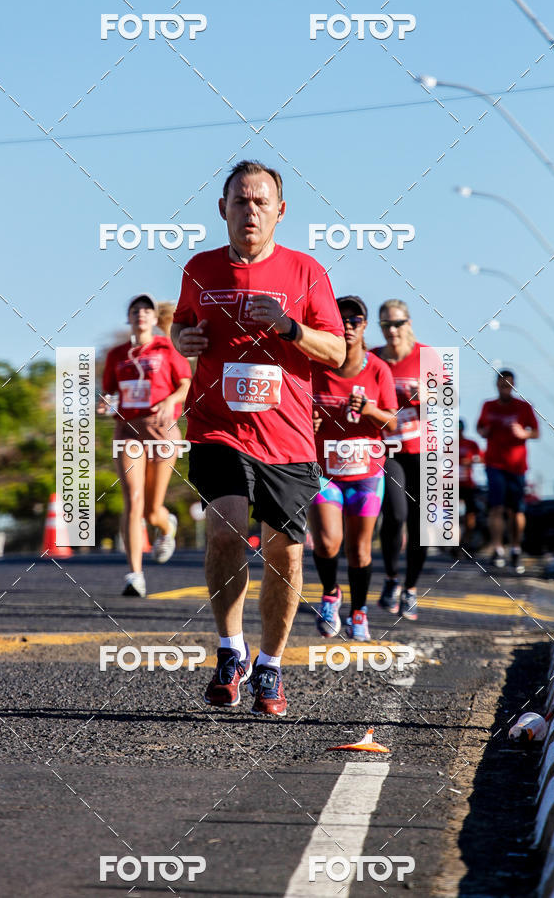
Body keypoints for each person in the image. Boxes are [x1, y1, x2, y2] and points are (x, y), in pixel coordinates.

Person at [171, 160, 345, 717]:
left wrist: (290, 328)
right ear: (223, 208)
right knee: (224, 527)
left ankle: (269, 664)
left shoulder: (307, 273)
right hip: (218, 426)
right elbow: (180, 327)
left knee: (285, 554)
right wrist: (185, 338)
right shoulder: (199, 268)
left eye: (261, 202)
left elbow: (338, 352)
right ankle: (228, 650)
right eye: (240, 201)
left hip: (288, 436)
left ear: (280, 211)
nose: (251, 211)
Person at [310, 296, 398, 640]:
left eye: (355, 320)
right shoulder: (315, 366)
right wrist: (310, 422)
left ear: (364, 326)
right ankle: (331, 594)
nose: (347, 326)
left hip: (366, 472)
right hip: (325, 471)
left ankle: (359, 612)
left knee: (359, 549)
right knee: (328, 543)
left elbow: (391, 422)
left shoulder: (378, 368)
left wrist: (371, 411)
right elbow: (298, 414)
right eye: (340, 320)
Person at [101, 294, 192, 597]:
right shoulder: (117, 354)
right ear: (128, 318)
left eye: (146, 310)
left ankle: (166, 526)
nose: (140, 314)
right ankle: (134, 575)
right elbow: (109, 392)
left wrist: (169, 400)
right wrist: (104, 404)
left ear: (155, 319)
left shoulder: (167, 348)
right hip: (128, 430)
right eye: (134, 310)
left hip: (162, 431)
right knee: (134, 500)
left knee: (153, 509)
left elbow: (186, 384)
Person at [373, 299, 428, 621]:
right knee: (395, 513)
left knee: (421, 527)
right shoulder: (375, 358)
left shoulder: (427, 356)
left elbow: (450, 403)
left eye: (397, 323)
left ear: (408, 323)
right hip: (389, 449)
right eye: (385, 325)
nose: (392, 330)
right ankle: (392, 579)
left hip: (423, 450)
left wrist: (428, 393)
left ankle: (410, 588)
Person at [476, 370, 539, 574]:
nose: (505, 388)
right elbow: (480, 428)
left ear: (514, 386)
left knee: (516, 510)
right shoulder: (488, 406)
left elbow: (536, 432)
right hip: (494, 464)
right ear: (496, 385)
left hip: (517, 466)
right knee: (496, 508)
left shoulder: (523, 407)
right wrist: (484, 431)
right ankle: (497, 548)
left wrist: (524, 433)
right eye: (502, 385)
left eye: (509, 385)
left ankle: (515, 547)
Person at [459, 419, 482, 548]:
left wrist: (471, 461)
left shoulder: (471, 444)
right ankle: (454, 541)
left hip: (468, 484)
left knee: (470, 513)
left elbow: (481, 458)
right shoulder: (449, 444)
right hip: (452, 483)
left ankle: (467, 540)